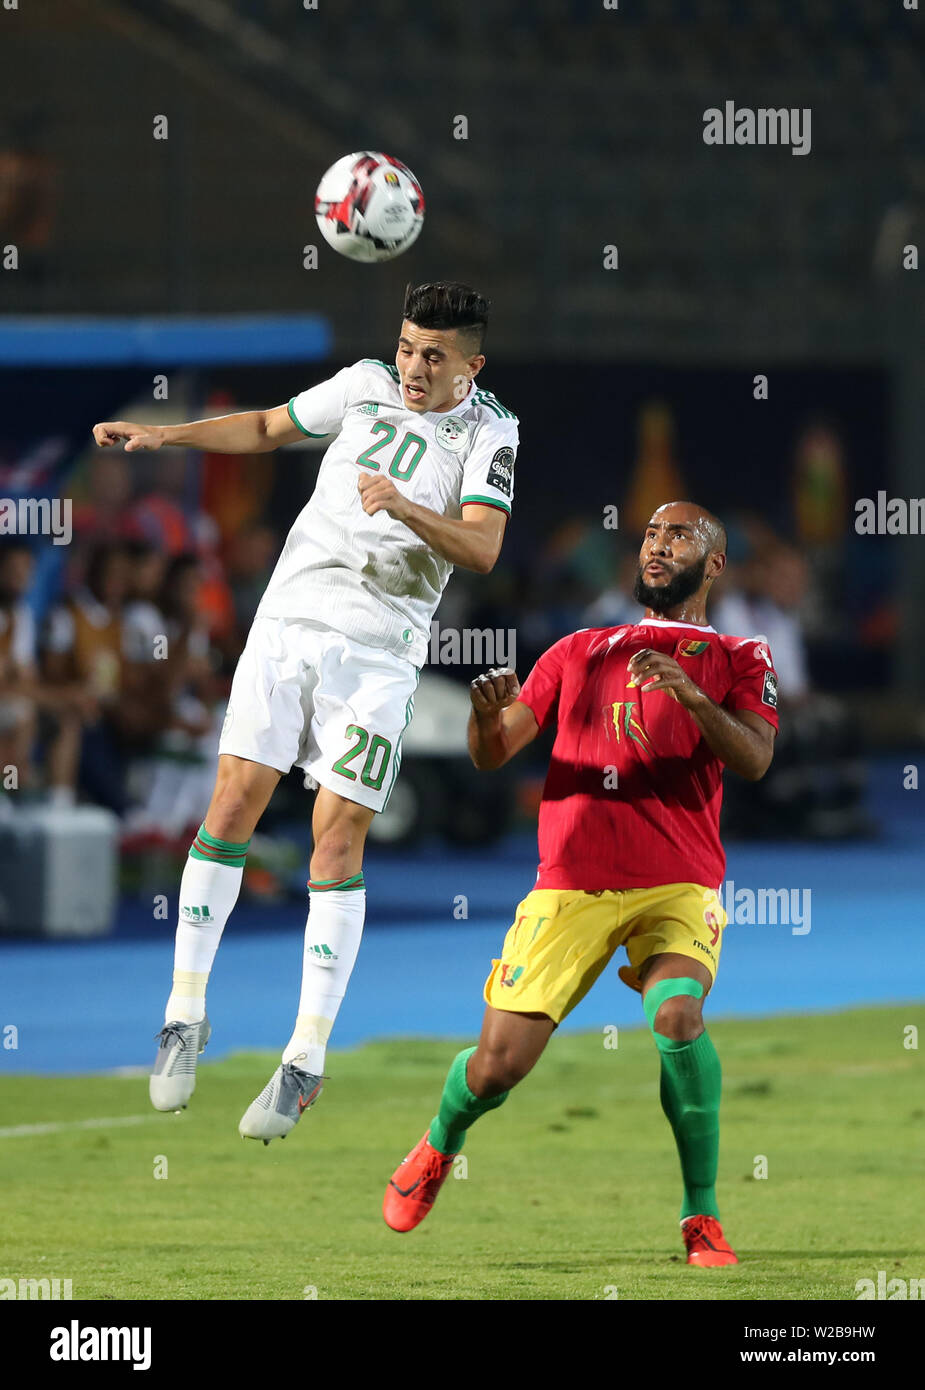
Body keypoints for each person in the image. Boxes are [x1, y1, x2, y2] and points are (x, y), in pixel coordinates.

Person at [91, 281, 519, 1141]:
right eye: (405, 346)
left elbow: (480, 544)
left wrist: (404, 507)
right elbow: (264, 427)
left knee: (335, 840)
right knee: (231, 805)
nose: (411, 366)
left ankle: (305, 1058)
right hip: (286, 626)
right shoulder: (361, 383)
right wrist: (162, 435)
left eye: (433, 356)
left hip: (379, 655)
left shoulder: (491, 431)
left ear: (471, 364)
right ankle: (184, 1016)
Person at [383, 500, 779, 1266]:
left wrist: (693, 696)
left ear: (715, 563)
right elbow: (493, 754)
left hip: (676, 885)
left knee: (675, 1018)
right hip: (571, 883)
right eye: (652, 535)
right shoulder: (577, 650)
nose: (658, 547)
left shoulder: (739, 657)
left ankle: (700, 1217)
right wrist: (482, 718)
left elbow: (755, 758)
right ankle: (438, 1144)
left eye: (679, 536)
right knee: (498, 1065)